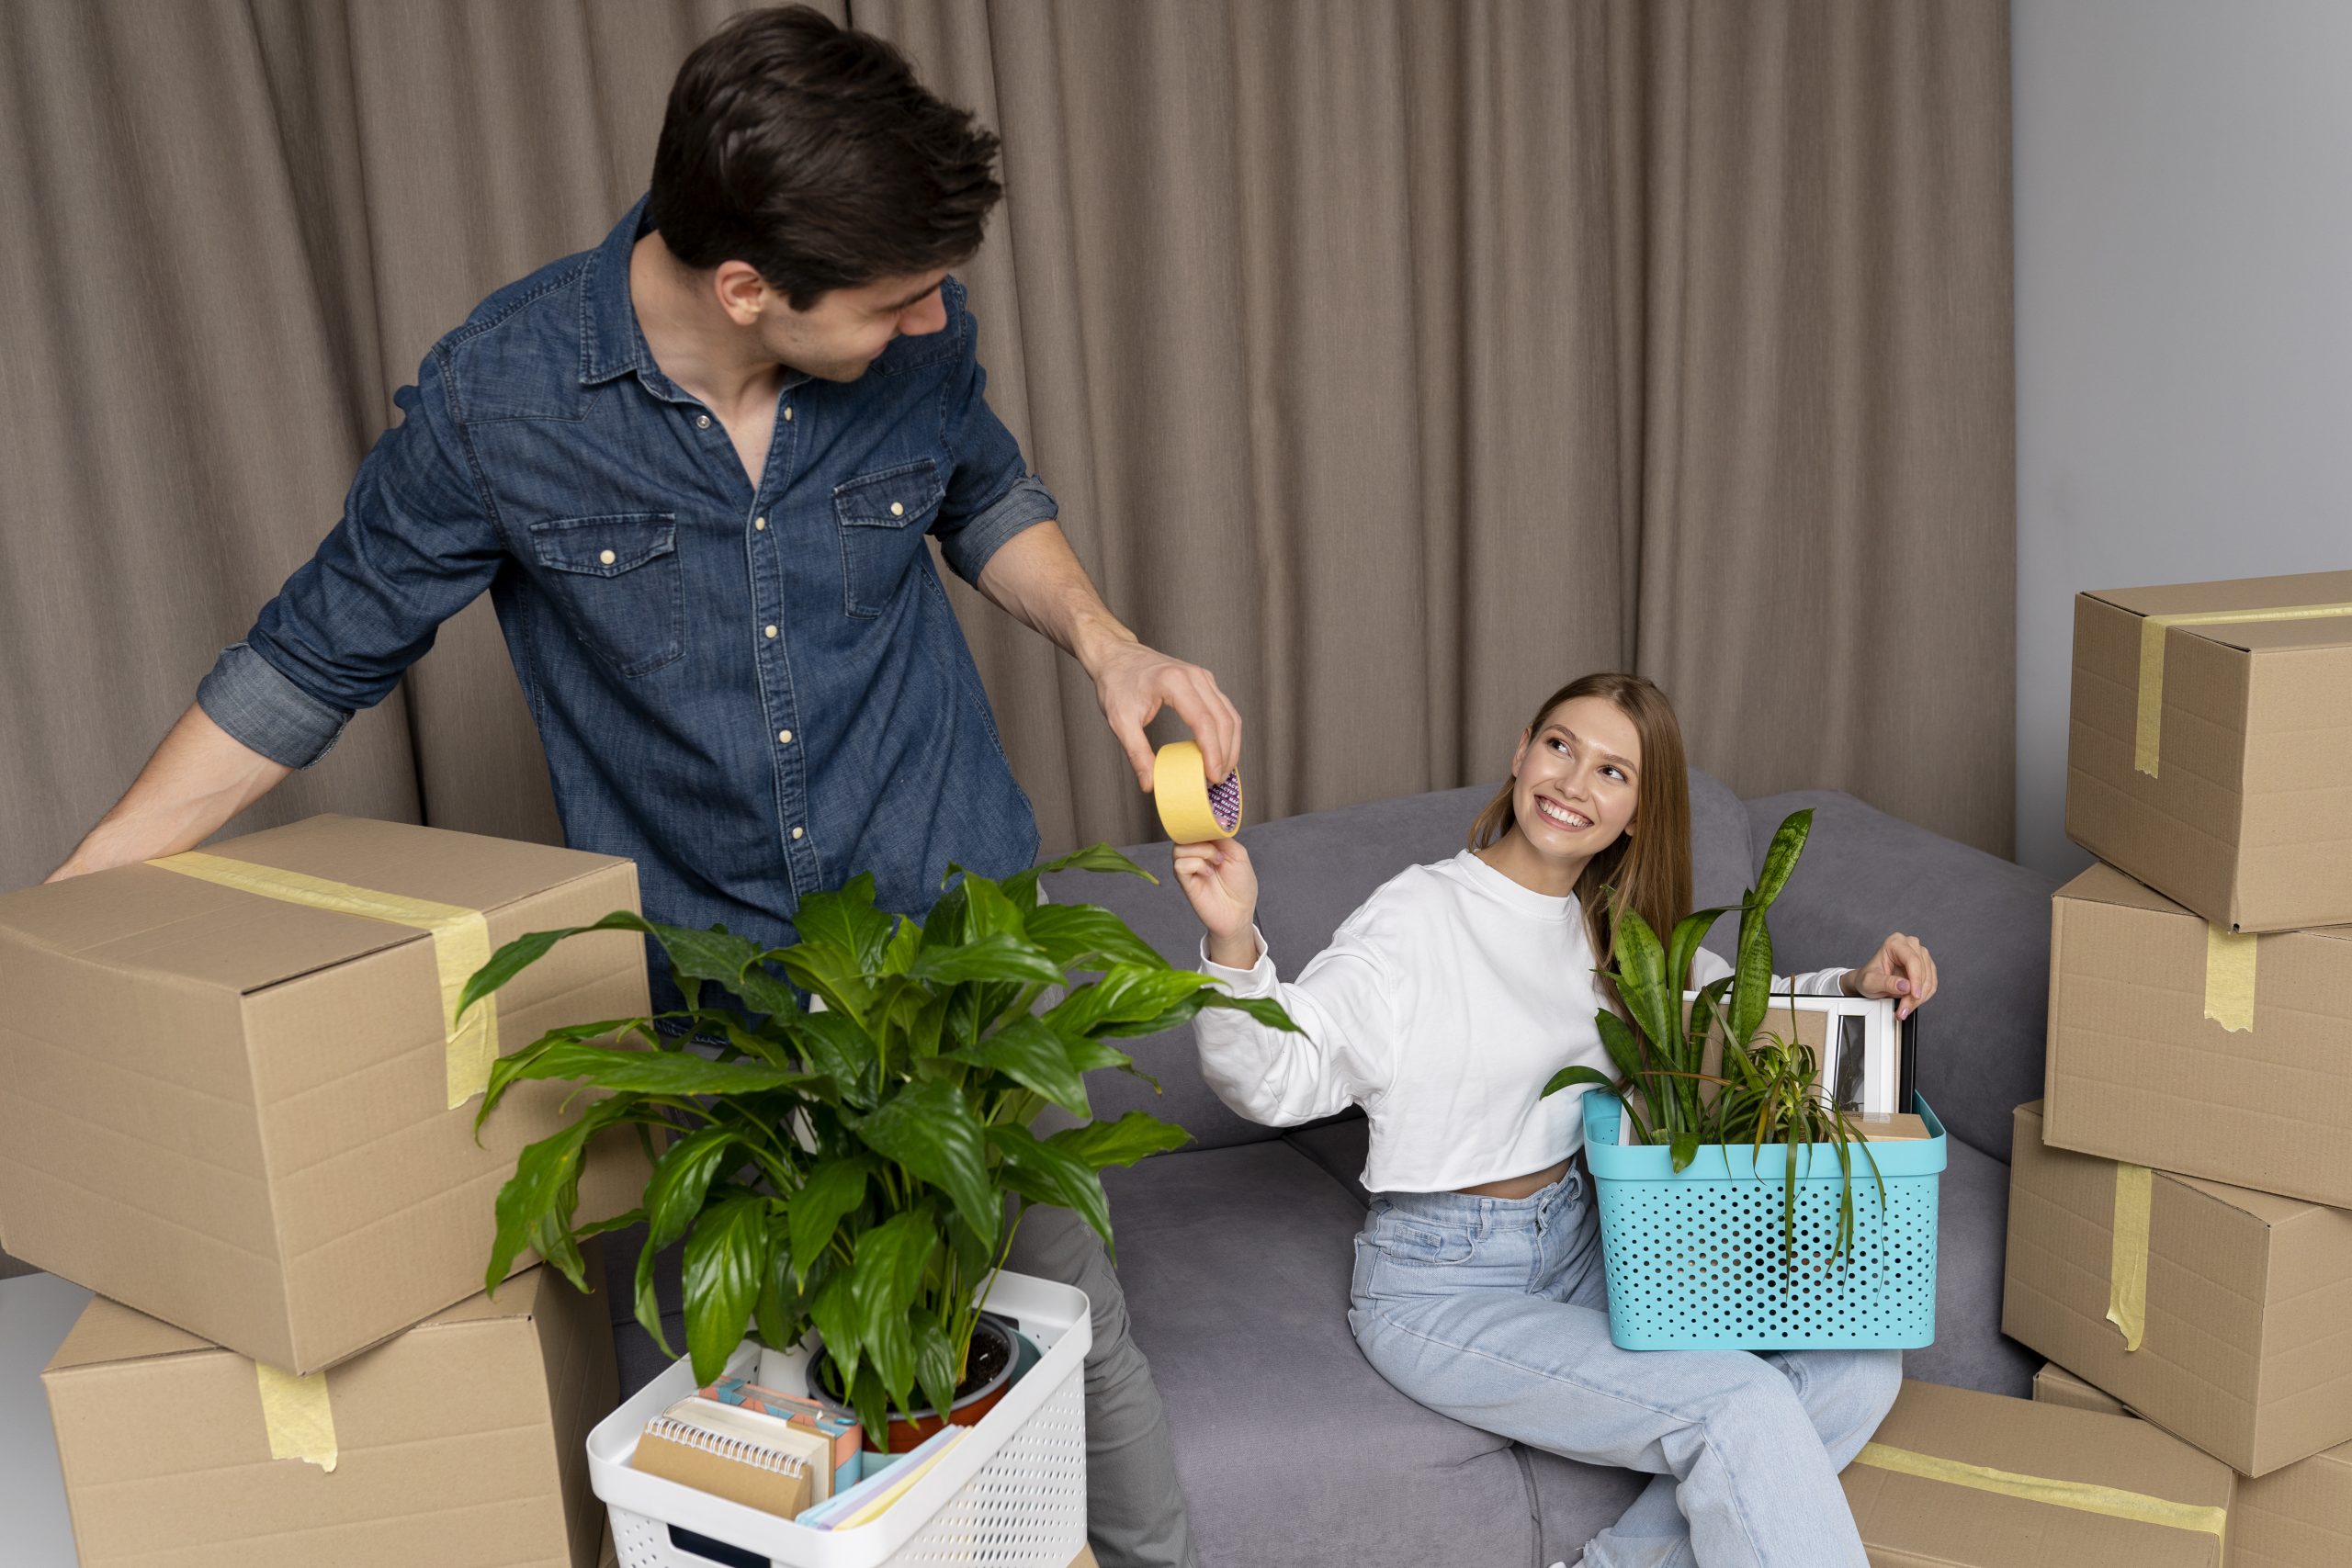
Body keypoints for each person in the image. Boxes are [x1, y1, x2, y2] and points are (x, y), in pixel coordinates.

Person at [46, 9, 1216, 1565]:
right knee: (752, 1412)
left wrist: (1111, 648)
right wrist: (74, 911)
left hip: (952, 959)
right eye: (896, 299)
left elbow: (981, 486)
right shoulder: (501, 398)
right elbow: (311, 658)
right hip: (709, 1009)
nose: (935, 325)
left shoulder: (913, 347)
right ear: (747, 288)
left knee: (1069, 1337)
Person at [1170, 671, 1938, 1568]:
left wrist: (1853, 987)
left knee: (1855, 1363)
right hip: (1443, 1287)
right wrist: (1232, 942)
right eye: (1561, 746)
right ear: (1521, 751)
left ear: (1639, 816)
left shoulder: (1608, 927)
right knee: (1739, 1403)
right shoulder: (1418, 917)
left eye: (1613, 773)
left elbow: (1722, 1021)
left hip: (1585, 1245)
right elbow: (1278, 1078)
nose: (1574, 783)